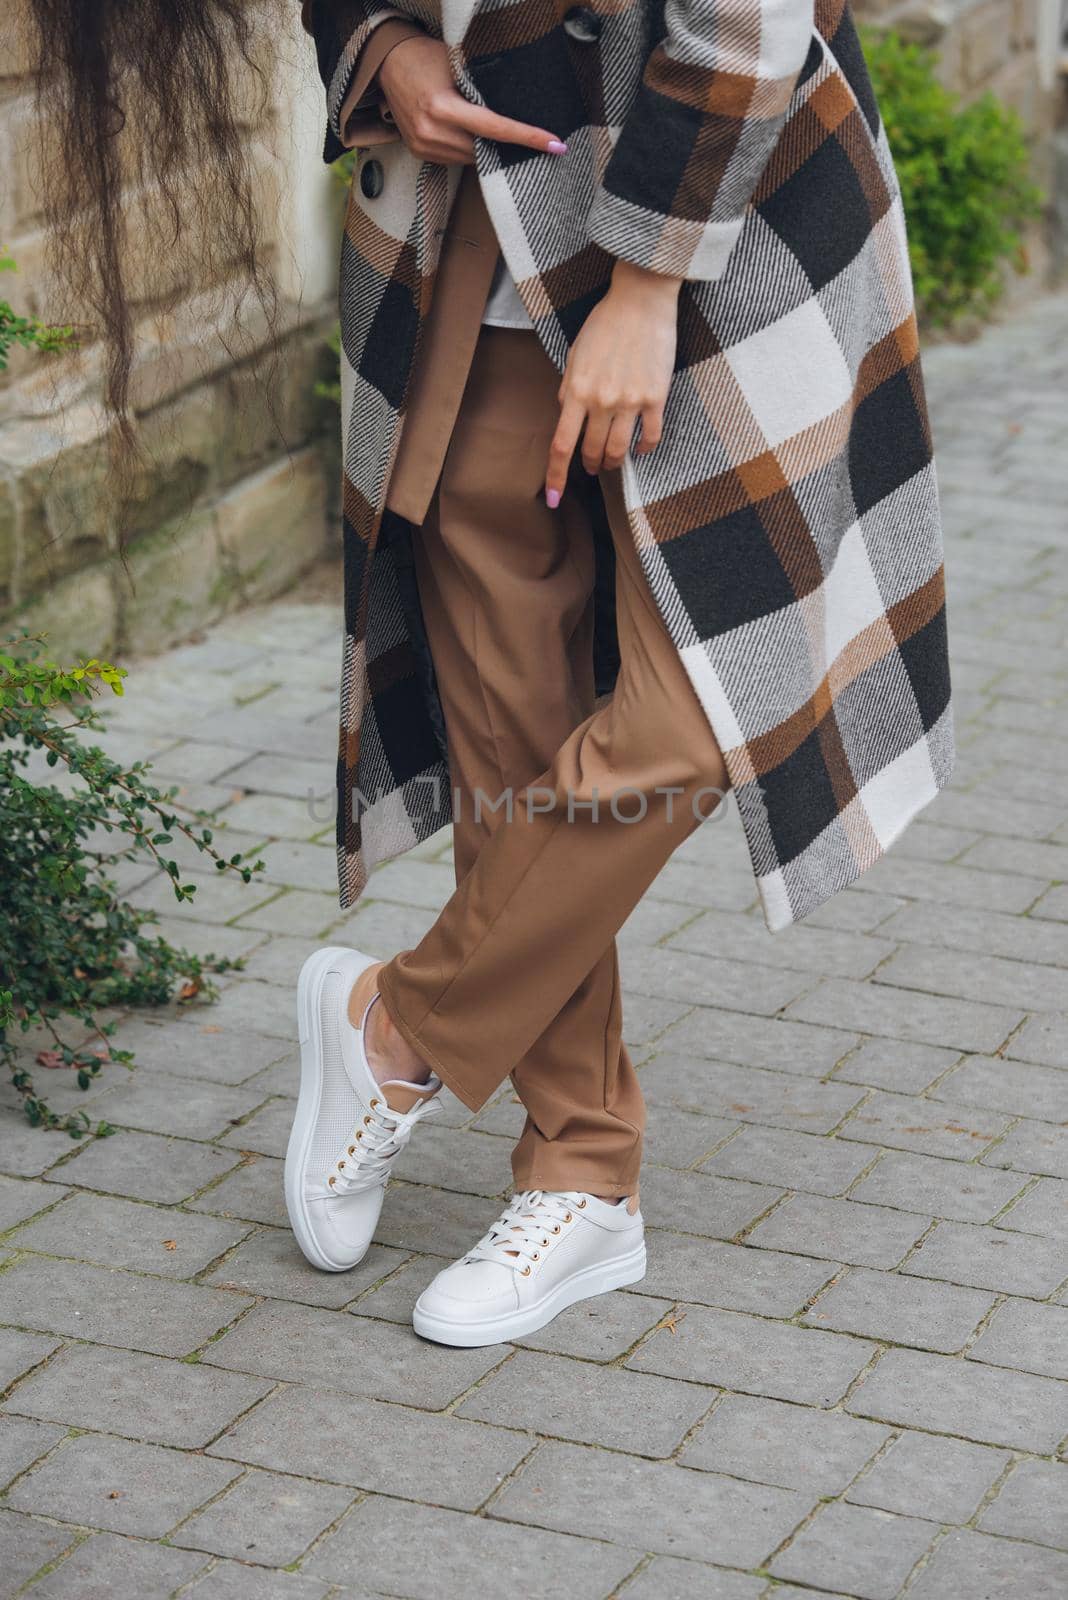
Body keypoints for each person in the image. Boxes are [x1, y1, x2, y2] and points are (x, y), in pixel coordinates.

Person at [30, 0, 953, 1348]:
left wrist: (645, 284)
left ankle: (392, 1023)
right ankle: (582, 1173)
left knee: (700, 711)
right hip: (467, 228)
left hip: (721, 232)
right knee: (505, 741)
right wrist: (380, 49)